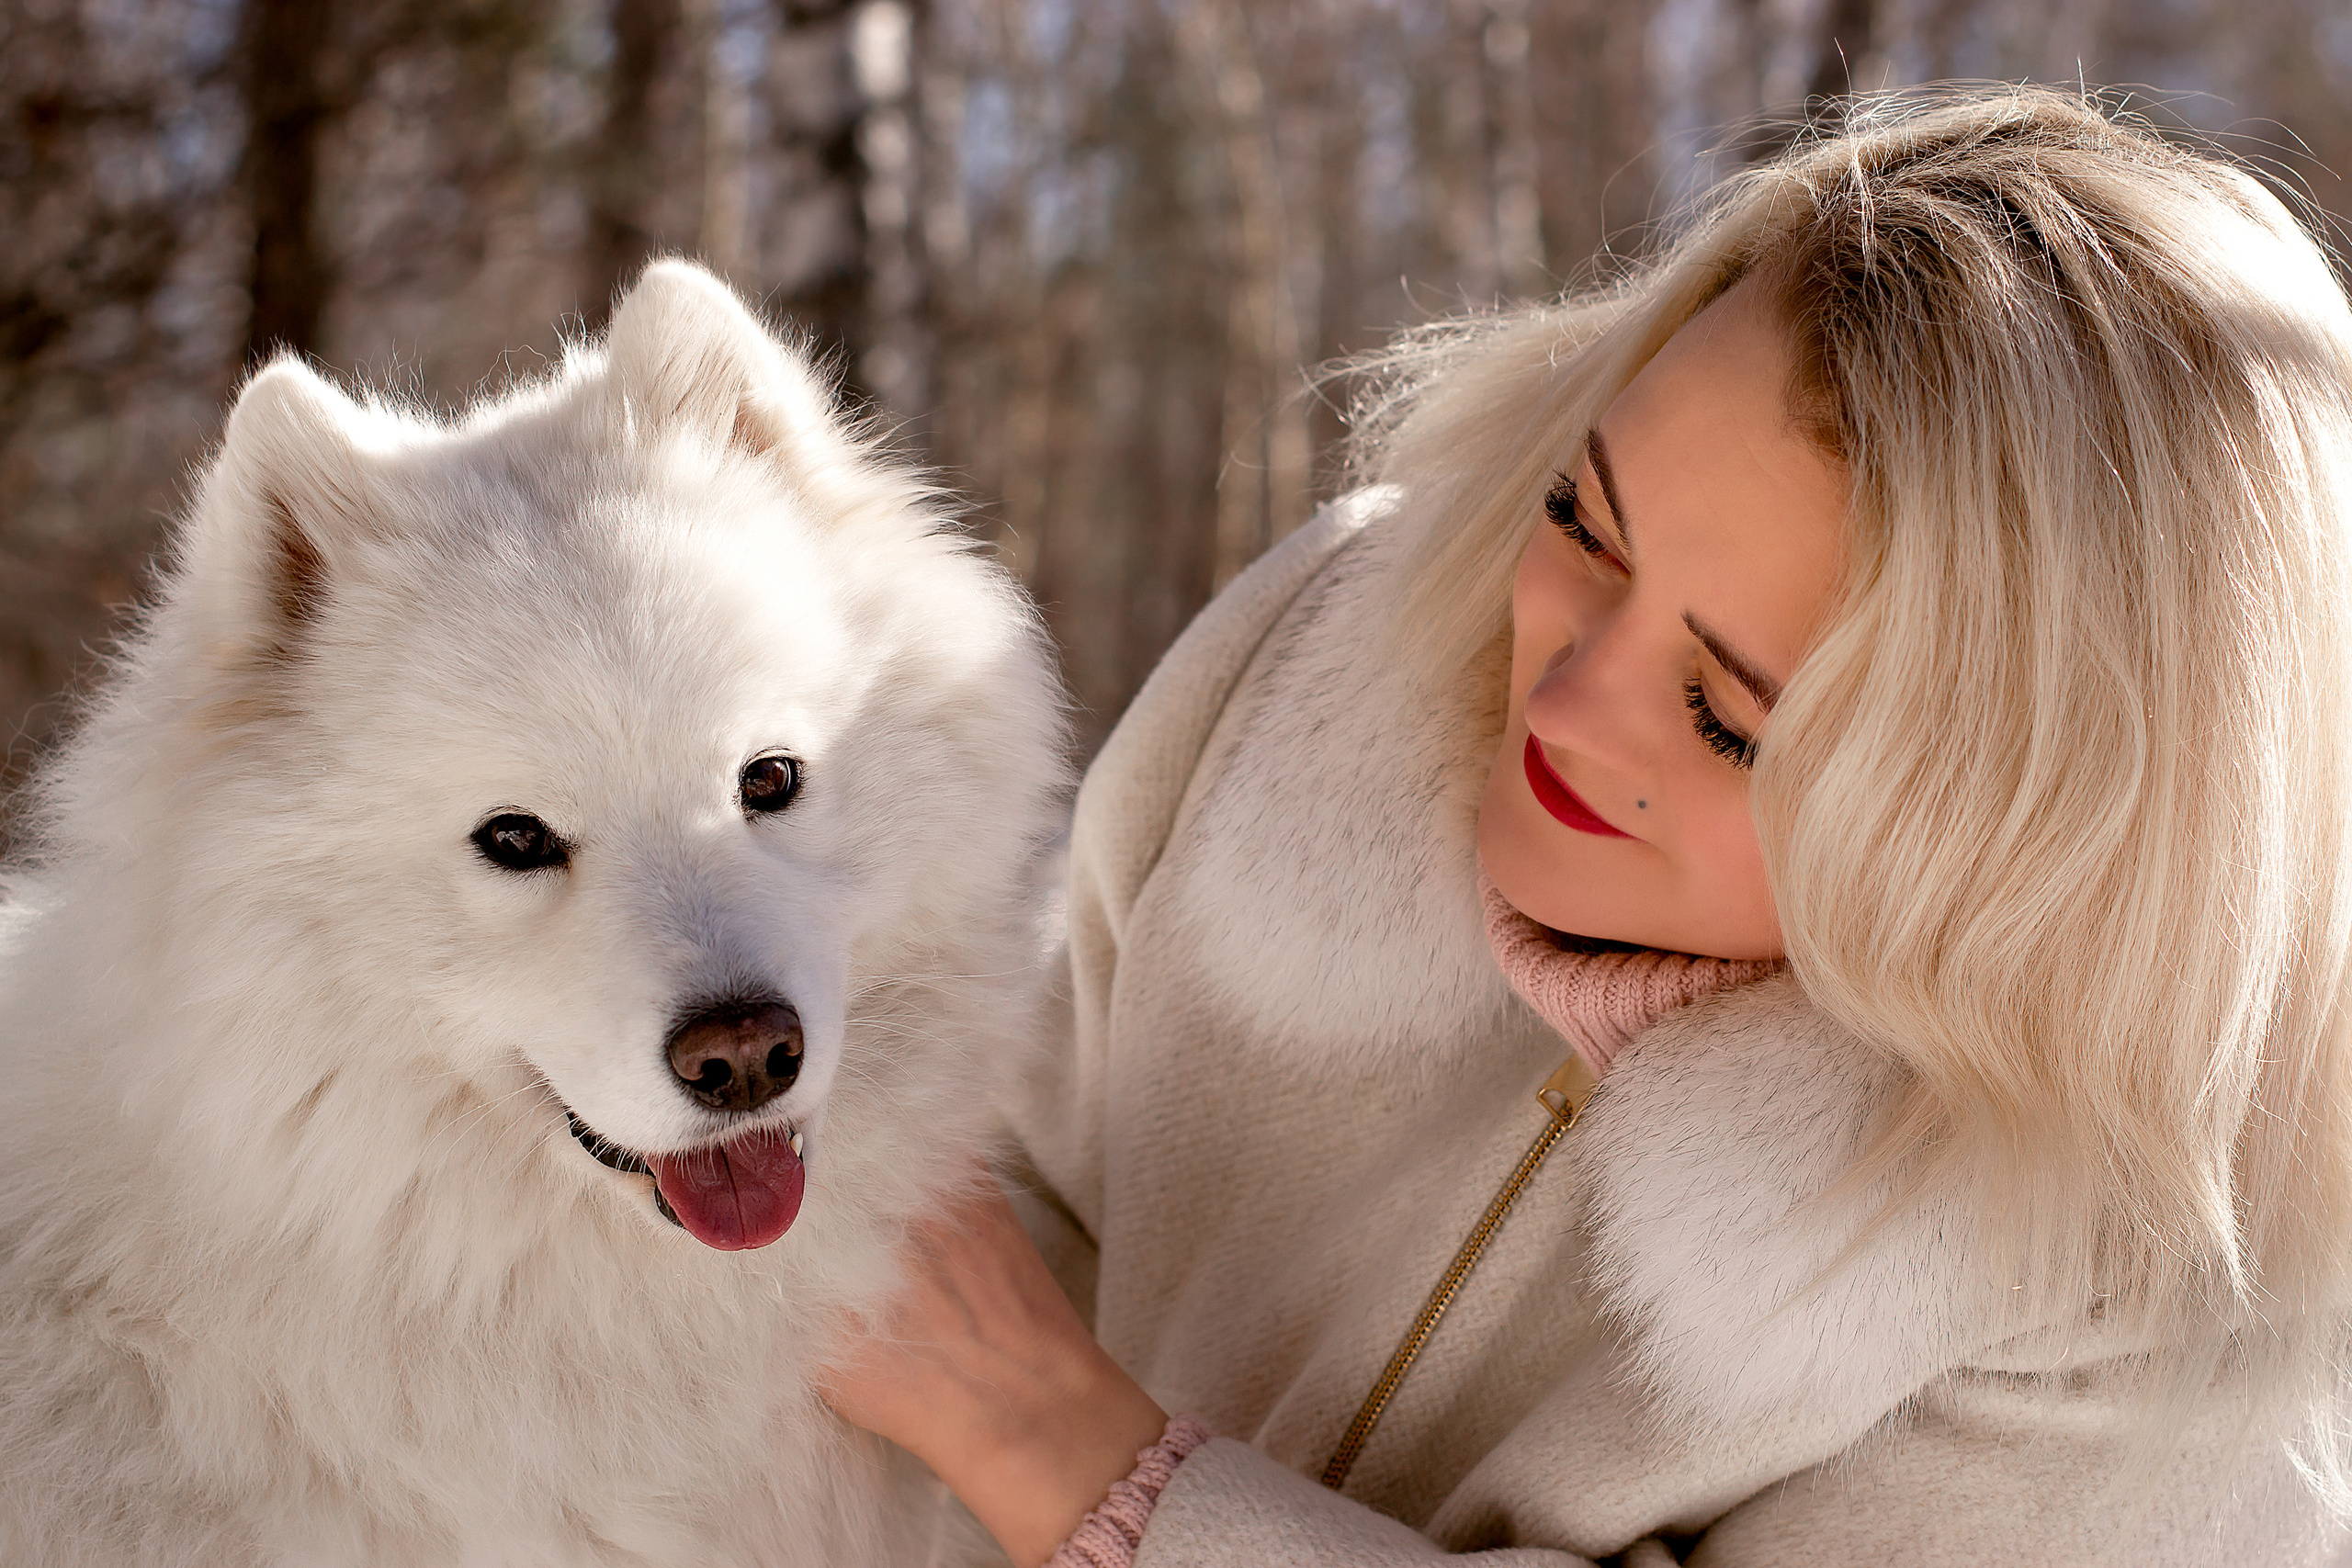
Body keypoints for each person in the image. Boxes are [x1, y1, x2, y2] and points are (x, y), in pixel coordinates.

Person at [822, 86, 2352, 1565]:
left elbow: (1000, 1372)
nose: (1560, 699)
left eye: (1727, 715)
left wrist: (1066, 1459)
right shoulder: (1331, 651)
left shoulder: (2149, 1340)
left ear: (2037, 842)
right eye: (1585, 524)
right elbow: (1021, 1163)